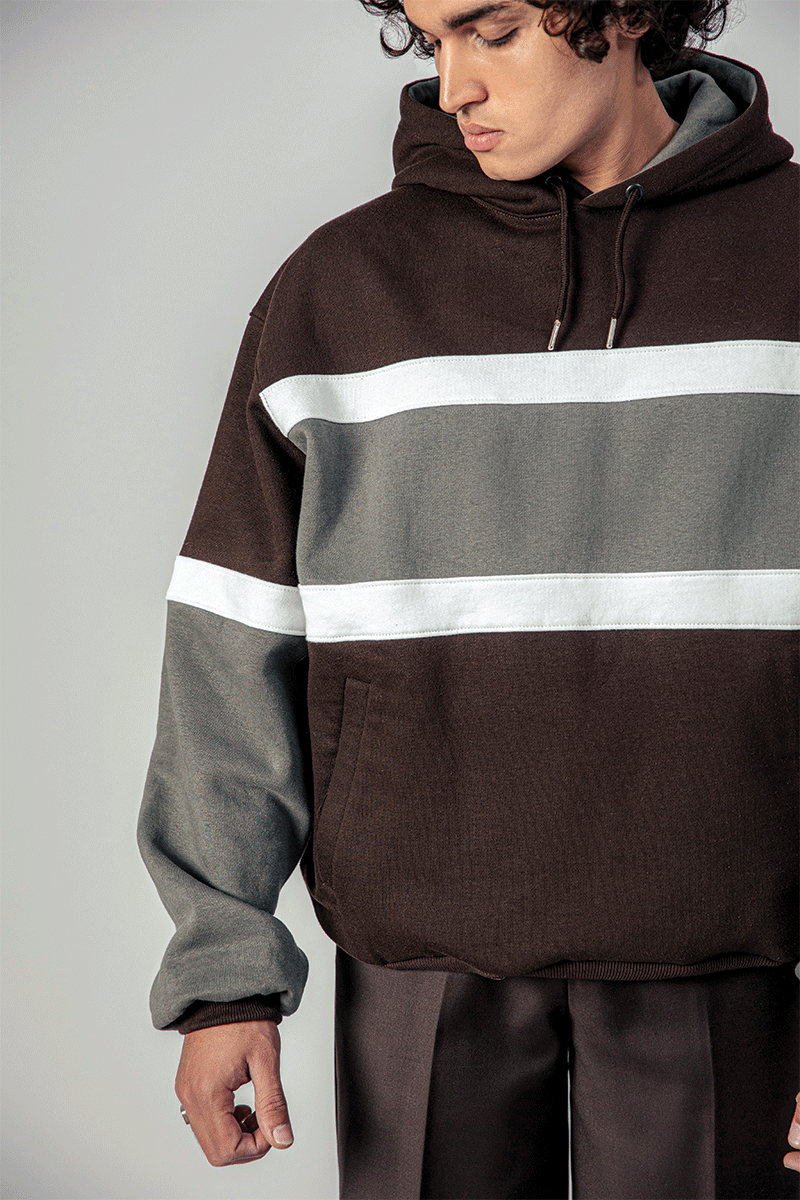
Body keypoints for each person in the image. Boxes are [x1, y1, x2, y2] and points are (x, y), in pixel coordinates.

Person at [137, 1, 800, 1195]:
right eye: (431, 40)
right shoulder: (342, 286)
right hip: (420, 973)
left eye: (489, 31)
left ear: (622, 13)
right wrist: (222, 972)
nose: (453, 88)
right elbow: (232, 640)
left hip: (729, 965)